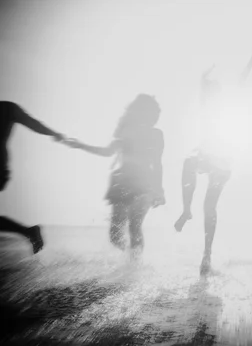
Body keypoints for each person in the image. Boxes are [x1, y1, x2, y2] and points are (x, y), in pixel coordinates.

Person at [174, 34, 252, 276]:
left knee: (209, 206)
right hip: (209, 157)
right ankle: (186, 210)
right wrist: (202, 78)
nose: (208, 95)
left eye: (211, 91)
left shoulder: (227, 104)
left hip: (223, 162)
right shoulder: (206, 105)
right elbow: (202, 88)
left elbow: (242, 78)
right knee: (189, 162)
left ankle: (206, 255)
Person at [65, 94, 165, 260]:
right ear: (139, 112)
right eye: (150, 111)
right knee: (115, 236)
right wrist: (80, 145)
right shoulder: (126, 131)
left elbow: (157, 163)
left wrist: (159, 190)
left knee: (135, 225)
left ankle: (135, 266)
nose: (154, 116)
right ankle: (129, 258)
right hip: (122, 183)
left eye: (155, 113)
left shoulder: (156, 134)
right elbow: (108, 152)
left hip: (144, 184)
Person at [0, 101, 66, 254]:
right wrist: (54, 134)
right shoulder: (8, 108)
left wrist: (54, 133)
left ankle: (28, 232)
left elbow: (33, 124)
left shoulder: (7, 108)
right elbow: (33, 124)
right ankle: (28, 232)